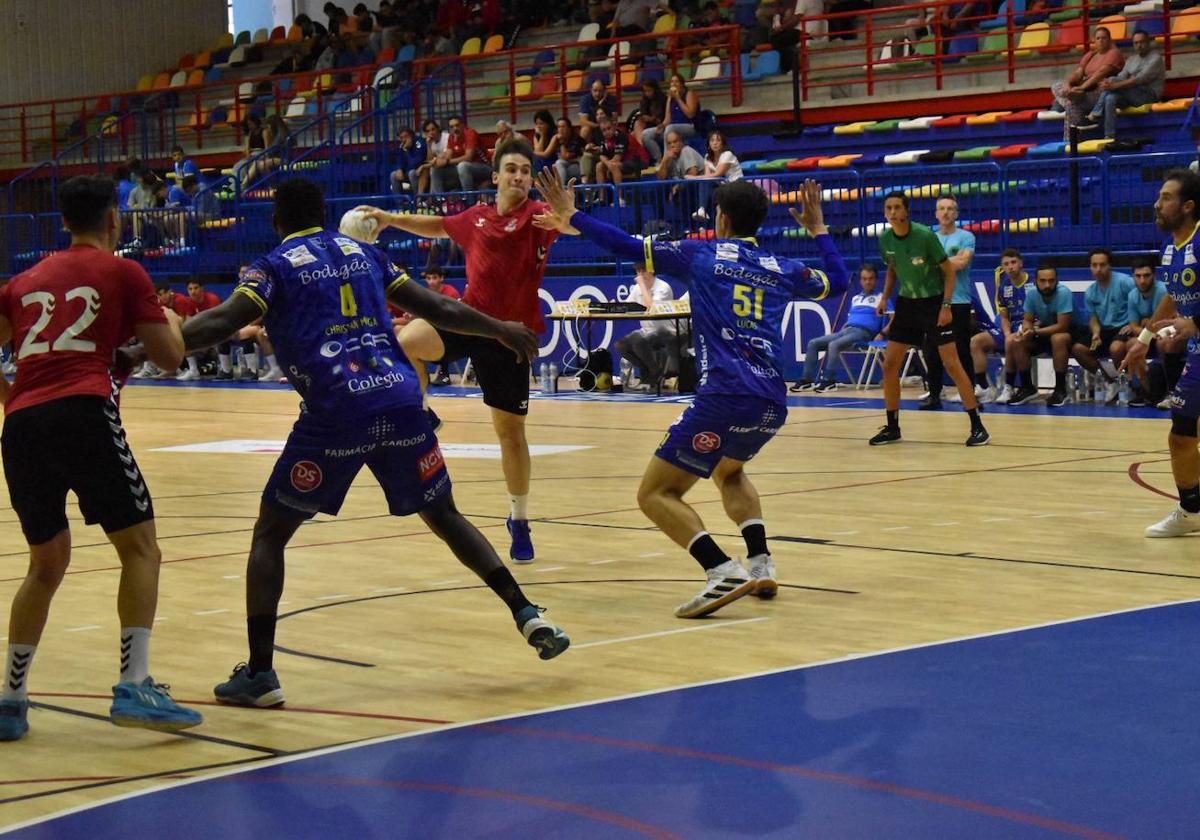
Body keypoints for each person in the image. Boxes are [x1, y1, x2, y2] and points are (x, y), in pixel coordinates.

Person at [178, 178, 569, 707]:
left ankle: (261, 674)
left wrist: (154, 347)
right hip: (399, 401)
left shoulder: (273, 266)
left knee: (270, 535)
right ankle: (527, 612)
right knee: (445, 514)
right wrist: (500, 328)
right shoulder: (367, 255)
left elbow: (226, 320)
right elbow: (439, 307)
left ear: (276, 220)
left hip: (336, 411)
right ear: (323, 209)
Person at [534, 172, 846, 617]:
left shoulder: (701, 255)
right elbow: (838, 279)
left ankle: (722, 570)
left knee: (654, 494)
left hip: (723, 395)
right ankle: (760, 563)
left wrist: (576, 216)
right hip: (772, 401)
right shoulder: (782, 269)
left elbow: (628, 246)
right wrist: (817, 229)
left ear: (720, 218)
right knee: (728, 471)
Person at [0, 176, 201, 740]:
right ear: (114, 218)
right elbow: (167, 358)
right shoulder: (122, 271)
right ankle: (134, 682)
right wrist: (177, 327)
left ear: (63, 222)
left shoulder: (23, 280)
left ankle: (11, 700)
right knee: (140, 549)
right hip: (84, 414)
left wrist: (12, 396)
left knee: (45, 564)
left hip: (21, 426)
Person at [355, 138, 558, 564]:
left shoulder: (539, 216)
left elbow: (569, 224)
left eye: (525, 170)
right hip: (468, 322)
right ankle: (422, 410)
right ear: (497, 176)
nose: (519, 176)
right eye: (512, 169)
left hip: (509, 337)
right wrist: (391, 218)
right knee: (406, 341)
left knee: (511, 435)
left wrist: (569, 214)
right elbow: (435, 225)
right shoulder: (476, 218)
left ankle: (519, 519)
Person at [870, 191, 988, 446]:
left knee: (952, 364)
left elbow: (949, 272)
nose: (892, 212)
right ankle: (892, 427)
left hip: (933, 303)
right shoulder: (886, 239)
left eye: (896, 208)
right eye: (888, 208)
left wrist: (946, 306)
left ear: (906, 211)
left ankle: (977, 426)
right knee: (890, 365)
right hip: (906, 304)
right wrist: (884, 298)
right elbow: (892, 269)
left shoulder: (924, 235)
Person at [1123, 170, 1200, 536]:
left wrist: (1195, 323)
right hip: (1199, 354)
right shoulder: (1171, 249)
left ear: (1187, 206)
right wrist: (1144, 340)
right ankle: (1191, 510)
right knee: (1181, 433)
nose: (1157, 203)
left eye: (1166, 197)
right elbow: (1172, 295)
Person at [792, 263, 890, 392]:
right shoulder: (855, 299)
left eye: (870, 279)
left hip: (864, 333)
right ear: (860, 280)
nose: (867, 282)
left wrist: (882, 333)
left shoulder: (882, 298)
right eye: (864, 279)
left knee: (834, 344)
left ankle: (829, 381)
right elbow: (851, 319)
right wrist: (843, 331)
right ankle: (807, 380)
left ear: (876, 280)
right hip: (847, 330)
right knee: (813, 343)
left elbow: (894, 320)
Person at [923, 195, 977, 408]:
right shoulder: (929, 238)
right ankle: (934, 395)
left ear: (956, 213)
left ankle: (969, 395)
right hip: (933, 301)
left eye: (950, 209)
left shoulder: (966, 237)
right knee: (931, 350)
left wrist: (935, 263)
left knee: (962, 349)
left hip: (959, 301)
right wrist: (946, 263)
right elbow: (923, 268)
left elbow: (962, 262)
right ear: (936, 213)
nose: (945, 212)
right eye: (941, 208)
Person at [1070, 247, 1136, 402]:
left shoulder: (1125, 282)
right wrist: (1095, 333)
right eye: (1094, 265)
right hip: (1104, 330)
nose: (1098, 269)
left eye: (1102, 265)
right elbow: (1093, 318)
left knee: (1116, 348)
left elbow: (1140, 302)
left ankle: (1125, 385)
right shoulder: (1090, 292)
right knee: (1078, 349)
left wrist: (1134, 324)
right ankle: (1110, 382)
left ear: (1110, 265)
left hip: (1125, 327)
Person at [1006, 265, 1075, 407]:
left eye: (1051, 280)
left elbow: (1062, 326)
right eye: (1043, 281)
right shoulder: (1032, 293)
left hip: (1072, 333)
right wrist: (1026, 330)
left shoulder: (1064, 293)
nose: (1047, 285)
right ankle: (1027, 388)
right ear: (1036, 281)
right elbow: (1027, 319)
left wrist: (1035, 332)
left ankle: (1060, 389)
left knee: (1058, 338)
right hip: (1045, 332)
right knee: (1016, 340)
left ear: (1057, 281)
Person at [969, 248, 1029, 404]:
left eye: (1013, 262)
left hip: (1029, 328)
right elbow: (1003, 317)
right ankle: (984, 389)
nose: (1010, 267)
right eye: (1006, 264)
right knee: (976, 341)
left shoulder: (1034, 282)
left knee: (1011, 341)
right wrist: (1007, 332)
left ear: (1021, 263)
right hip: (1010, 327)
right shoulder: (1003, 287)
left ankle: (1009, 387)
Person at [1085, 29, 1164, 140]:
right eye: (1136, 43)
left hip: (1149, 95)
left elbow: (1140, 79)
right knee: (1110, 98)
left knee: (1114, 84)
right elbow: (1121, 76)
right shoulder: (1132, 59)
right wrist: (1109, 82)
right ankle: (1109, 135)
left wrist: (1114, 85)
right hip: (1131, 93)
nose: (1139, 45)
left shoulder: (1156, 59)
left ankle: (1097, 111)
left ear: (1148, 42)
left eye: (1142, 42)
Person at [1050, 26, 1124, 138]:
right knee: (1058, 87)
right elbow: (1078, 73)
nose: (1101, 40)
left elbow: (1100, 74)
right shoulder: (1090, 55)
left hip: (1100, 93)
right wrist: (1067, 84)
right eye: (1098, 38)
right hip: (1082, 93)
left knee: (1070, 103)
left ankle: (1070, 137)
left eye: (1104, 38)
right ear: (1094, 40)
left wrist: (1081, 88)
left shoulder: (1114, 53)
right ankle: (1076, 128)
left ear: (1109, 40)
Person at [615, 263, 676, 391]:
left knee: (637, 339)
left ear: (652, 270)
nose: (640, 274)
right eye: (638, 271)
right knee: (621, 345)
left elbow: (651, 307)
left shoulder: (663, 287)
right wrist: (614, 306)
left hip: (666, 331)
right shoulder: (637, 288)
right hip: (646, 331)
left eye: (643, 270)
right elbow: (627, 306)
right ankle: (648, 369)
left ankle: (655, 372)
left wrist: (642, 285)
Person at [641, 74, 700, 162]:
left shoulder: (689, 94)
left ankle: (667, 160)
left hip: (690, 126)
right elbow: (668, 118)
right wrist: (662, 126)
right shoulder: (670, 97)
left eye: (676, 81)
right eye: (672, 82)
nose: (674, 84)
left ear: (682, 84)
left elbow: (690, 114)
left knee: (670, 129)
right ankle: (659, 159)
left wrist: (678, 98)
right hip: (673, 126)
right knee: (646, 133)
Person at [430, 115, 491, 193]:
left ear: (463, 125)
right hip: (464, 169)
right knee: (435, 169)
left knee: (462, 166)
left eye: (457, 125)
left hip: (484, 167)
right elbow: (448, 155)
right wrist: (437, 161)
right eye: (451, 127)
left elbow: (468, 157)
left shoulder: (470, 133)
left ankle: (469, 201)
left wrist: (446, 161)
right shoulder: (452, 137)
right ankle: (439, 201)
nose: (455, 128)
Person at [389, 127, 429, 195]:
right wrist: (399, 169)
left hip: (420, 172)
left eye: (406, 136)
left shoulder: (419, 142)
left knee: (412, 173)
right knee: (393, 175)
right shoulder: (402, 145)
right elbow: (399, 160)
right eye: (401, 138)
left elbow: (417, 162)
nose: (404, 139)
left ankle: (419, 200)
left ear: (412, 135)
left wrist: (407, 151)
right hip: (408, 171)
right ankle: (401, 203)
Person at [553, 116, 585, 183]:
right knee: (558, 164)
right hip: (565, 166)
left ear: (569, 128)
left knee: (561, 168)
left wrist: (561, 142)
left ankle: (561, 189)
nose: (560, 129)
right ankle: (562, 189)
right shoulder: (557, 139)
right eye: (559, 127)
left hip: (580, 168)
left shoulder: (576, 140)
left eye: (563, 126)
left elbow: (566, 157)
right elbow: (546, 154)